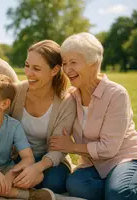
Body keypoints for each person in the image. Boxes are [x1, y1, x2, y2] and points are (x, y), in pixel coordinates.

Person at [49, 32, 137, 200]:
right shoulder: (72, 96)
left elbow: (109, 148)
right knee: (75, 185)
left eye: (74, 62)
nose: (67, 70)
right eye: (65, 63)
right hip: (94, 164)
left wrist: (72, 147)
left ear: (94, 63)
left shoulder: (116, 94)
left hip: (124, 158)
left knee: (119, 192)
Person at [10, 40, 76, 194]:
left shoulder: (65, 102)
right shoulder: (16, 91)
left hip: (49, 161)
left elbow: (59, 147)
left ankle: (27, 190)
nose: (28, 73)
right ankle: (30, 192)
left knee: (54, 182)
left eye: (36, 69)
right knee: (11, 173)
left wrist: (37, 168)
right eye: (27, 66)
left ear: (54, 70)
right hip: (18, 157)